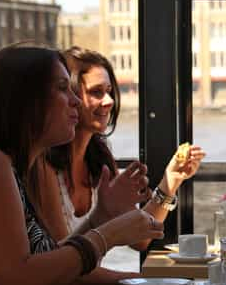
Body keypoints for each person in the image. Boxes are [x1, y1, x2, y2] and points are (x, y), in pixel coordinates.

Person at [0, 45, 163, 285]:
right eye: (62, 88)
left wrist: (101, 217)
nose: (76, 101)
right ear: (24, 99)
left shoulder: (3, 165)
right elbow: (17, 277)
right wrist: (108, 235)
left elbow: (49, 266)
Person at [30, 47, 205, 277]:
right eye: (96, 92)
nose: (109, 101)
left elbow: (141, 239)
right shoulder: (43, 167)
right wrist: (144, 281)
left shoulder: (100, 159)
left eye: (110, 91)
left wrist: (170, 182)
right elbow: (65, 267)